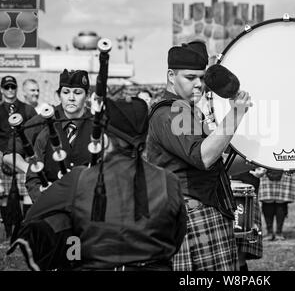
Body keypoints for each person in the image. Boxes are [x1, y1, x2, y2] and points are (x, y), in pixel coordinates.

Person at [8, 97, 187, 271]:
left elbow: (33, 219)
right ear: (145, 140)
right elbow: (176, 237)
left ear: (105, 141)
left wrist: (71, 247)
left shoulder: (79, 179)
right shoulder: (169, 180)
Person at [146, 40, 252, 271]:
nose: (199, 85)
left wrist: (257, 160)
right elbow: (203, 156)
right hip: (191, 215)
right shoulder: (171, 111)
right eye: (190, 77)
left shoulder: (188, 110)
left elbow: (212, 165)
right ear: (171, 75)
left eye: (202, 78)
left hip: (202, 210)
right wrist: (236, 113)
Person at [25, 69, 93, 202]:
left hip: (88, 206)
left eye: (78, 93)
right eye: (66, 92)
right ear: (59, 95)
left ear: (87, 95)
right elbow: (33, 177)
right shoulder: (46, 131)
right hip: (54, 207)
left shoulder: (98, 129)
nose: (71, 98)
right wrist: (41, 192)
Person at [0, 75, 37, 237]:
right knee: (4, 196)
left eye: (12, 87)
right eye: (6, 87)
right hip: (3, 157)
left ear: (16, 88)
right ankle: (8, 233)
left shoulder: (28, 109)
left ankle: (25, 231)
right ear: (2, 89)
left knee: (27, 193)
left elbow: (37, 131)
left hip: (24, 158)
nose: (10, 90)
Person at [231, 166, 265, 271]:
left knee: (240, 251)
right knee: (224, 253)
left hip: (246, 190)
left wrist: (261, 167)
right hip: (218, 189)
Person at [259, 170, 295, 241]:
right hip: (270, 169)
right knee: (268, 200)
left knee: (280, 201)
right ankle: (271, 233)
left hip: (283, 168)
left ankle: (277, 232)